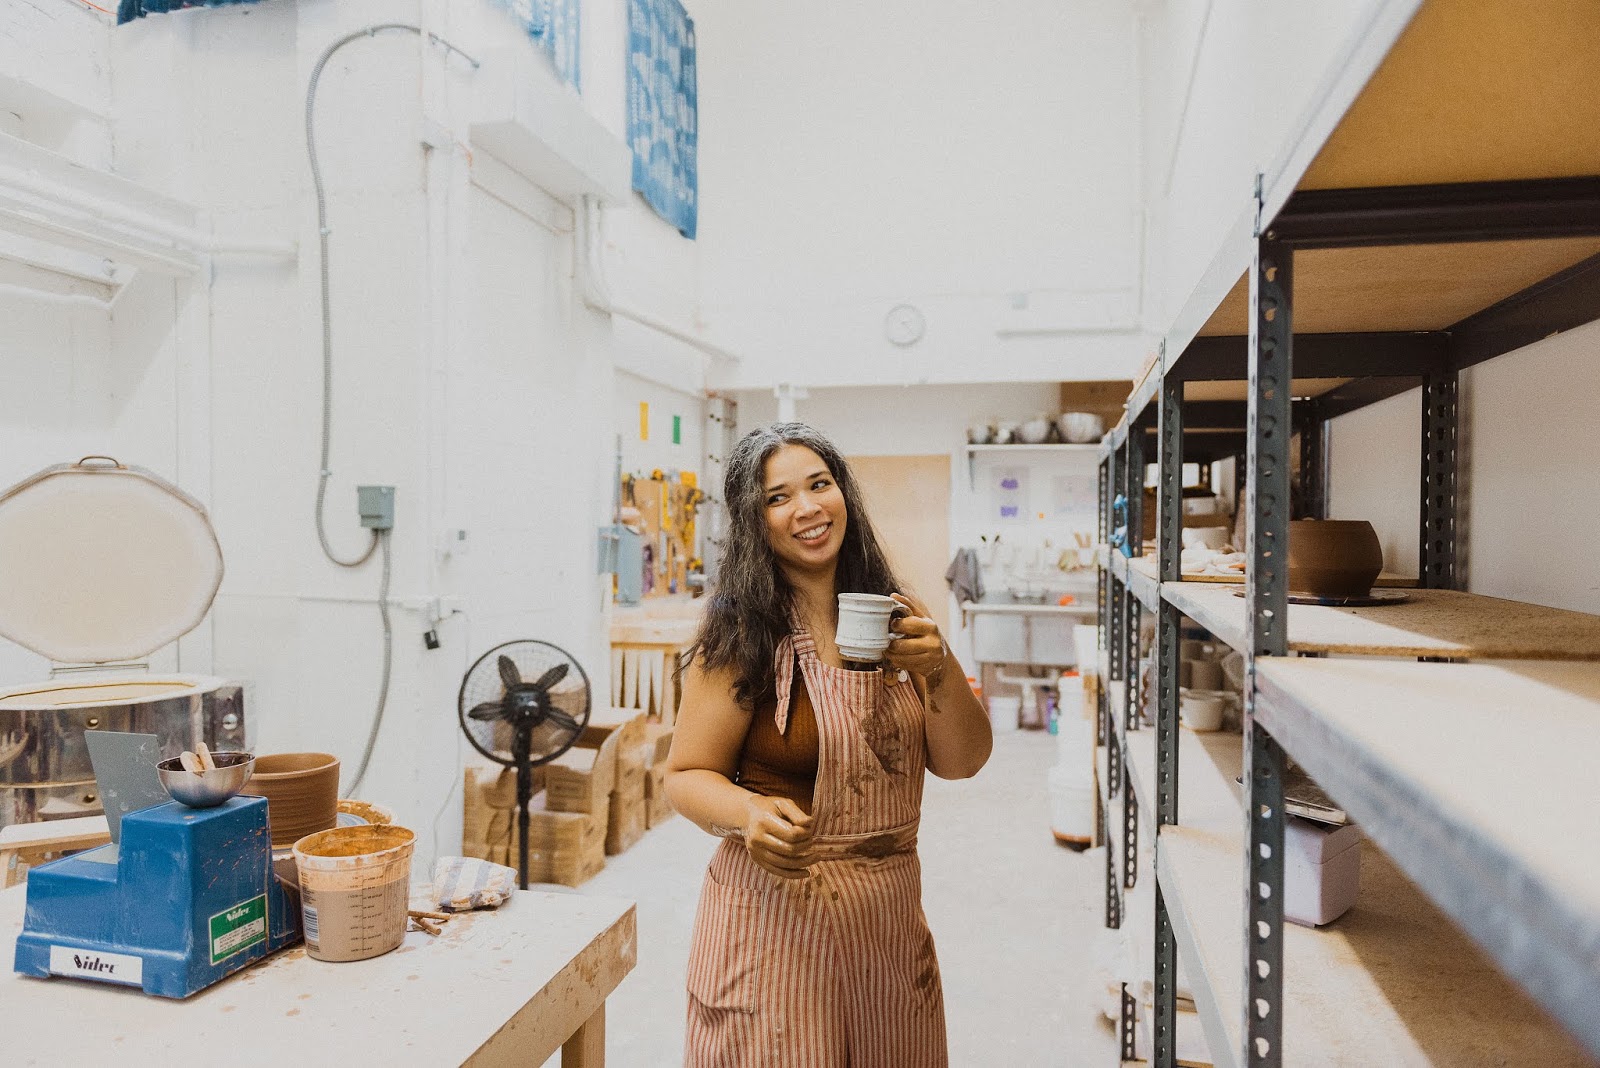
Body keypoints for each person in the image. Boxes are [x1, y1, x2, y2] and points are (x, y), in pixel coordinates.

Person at [665, 422, 992, 1067]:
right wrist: (748, 813)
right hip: (773, 927)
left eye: (820, 485)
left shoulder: (899, 614)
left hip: (886, 928)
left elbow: (964, 761)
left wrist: (938, 667)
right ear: (754, 521)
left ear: (844, 492)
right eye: (778, 497)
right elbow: (684, 775)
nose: (808, 508)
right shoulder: (742, 631)